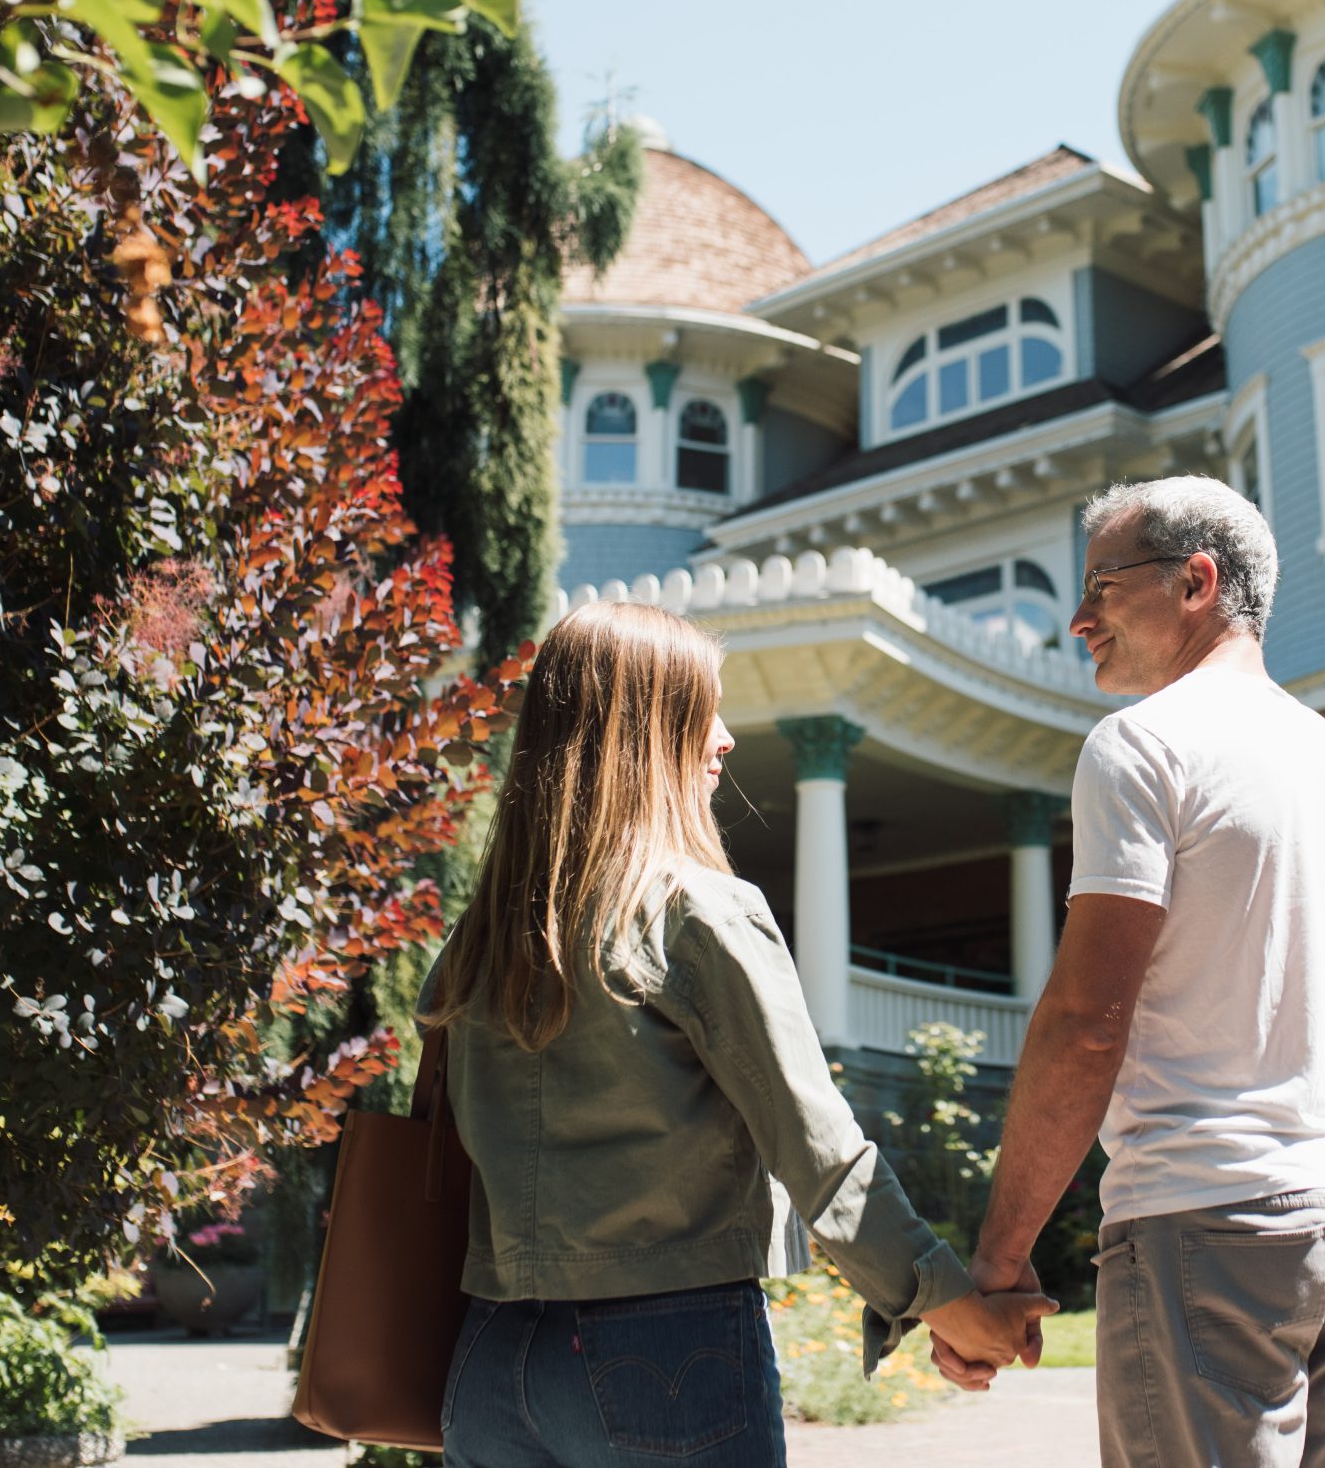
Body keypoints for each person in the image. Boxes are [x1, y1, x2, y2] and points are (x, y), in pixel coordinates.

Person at [423, 601, 1052, 1467]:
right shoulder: (699, 910)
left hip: (491, 1363)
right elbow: (820, 1154)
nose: (724, 738)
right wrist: (948, 1300)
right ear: (645, 736)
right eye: (698, 713)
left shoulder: (480, 938)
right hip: (668, 1354)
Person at [947, 476, 1325, 1467]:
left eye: (1101, 588)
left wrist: (997, 1260)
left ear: (1195, 581)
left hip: (1209, 1226)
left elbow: (1085, 1020)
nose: (1077, 621)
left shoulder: (1143, 747)